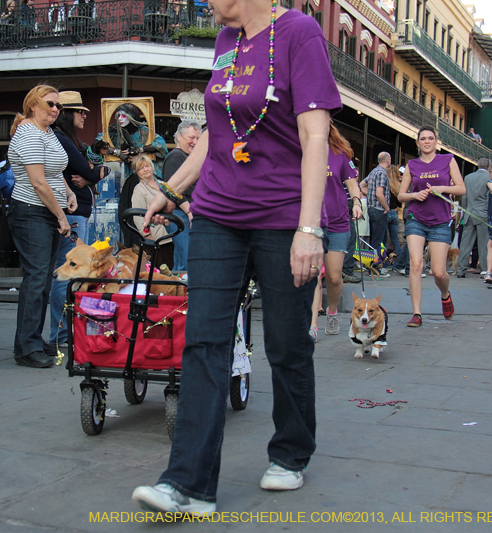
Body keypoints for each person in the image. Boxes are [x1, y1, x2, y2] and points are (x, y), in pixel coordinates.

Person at [132, 0, 341, 514]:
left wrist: (309, 228)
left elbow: (315, 136)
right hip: (218, 215)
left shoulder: (300, 33)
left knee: (287, 342)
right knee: (204, 340)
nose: (204, 2)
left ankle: (291, 452)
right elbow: (214, 135)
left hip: (281, 216)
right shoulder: (225, 42)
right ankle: (188, 484)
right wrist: (173, 191)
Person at [8, 85, 76, 368]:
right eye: (50, 104)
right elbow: (37, 182)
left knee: (43, 279)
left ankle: (33, 339)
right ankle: (26, 347)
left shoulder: (47, 133)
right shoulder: (28, 133)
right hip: (31, 212)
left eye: (58, 106)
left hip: (47, 211)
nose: (55, 109)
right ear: (32, 105)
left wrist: (69, 192)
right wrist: (61, 216)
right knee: (36, 278)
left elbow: (54, 171)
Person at [48, 91, 108, 347]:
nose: (84, 115)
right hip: (72, 213)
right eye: (79, 111)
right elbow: (88, 170)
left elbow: (100, 166)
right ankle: (61, 335)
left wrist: (93, 173)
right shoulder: (62, 139)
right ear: (66, 114)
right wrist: (92, 174)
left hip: (78, 212)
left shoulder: (77, 142)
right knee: (67, 274)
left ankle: (62, 334)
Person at [397, 126, 465, 328]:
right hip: (416, 218)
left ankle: (445, 294)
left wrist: (443, 188)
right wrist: (414, 195)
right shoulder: (412, 165)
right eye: (423, 139)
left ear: (437, 141)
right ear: (418, 143)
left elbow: (462, 188)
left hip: (440, 221)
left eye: (430, 138)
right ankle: (417, 313)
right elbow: (401, 195)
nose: (427, 141)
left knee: (438, 272)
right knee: (416, 264)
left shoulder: (448, 160)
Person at [309, 125, 362, 341]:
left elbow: (352, 184)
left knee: (334, 276)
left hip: (337, 221)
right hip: (311, 222)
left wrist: (357, 202)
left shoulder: (340, 155)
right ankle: (312, 325)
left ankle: (332, 311)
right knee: (313, 275)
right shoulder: (301, 150)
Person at [161, 120, 201, 271]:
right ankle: (182, 293)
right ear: (179, 136)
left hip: (184, 214)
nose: (195, 142)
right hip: (180, 214)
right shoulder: (176, 157)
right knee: (185, 260)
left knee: (183, 259)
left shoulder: (186, 157)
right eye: (191, 138)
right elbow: (172, 189)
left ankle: (179, 292)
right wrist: (189, 212)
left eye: (198, 139)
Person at [132, 155, 174, 268]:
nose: (145, 169)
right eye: (141, 168)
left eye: (147, 166)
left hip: (171, 234)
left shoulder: (162, 184)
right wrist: (147, 235)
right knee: (159, 271)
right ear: (137, 172)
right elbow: (137, 216)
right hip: (156, 237)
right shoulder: (139, 190)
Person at [457, 158, 491, 278]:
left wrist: (465, 211)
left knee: (465, 243)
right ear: (489, 166)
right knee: (484, 244)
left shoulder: (468, 177)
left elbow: (464, 197)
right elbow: (489, 198)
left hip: (469, 212)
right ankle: (485, 269)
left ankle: (461, 269)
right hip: (483, 214)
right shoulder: (489, 178)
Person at [360, 152, 392, 271]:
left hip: (371, 209)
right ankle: (375, 268)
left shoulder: (374, 171)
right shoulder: (382, 173)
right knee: (378, 242)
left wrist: (369, 195)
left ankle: (371, 266)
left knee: (373, 240)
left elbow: (362, 185)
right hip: (379, 210)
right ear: (388, 160)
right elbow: (379, 193)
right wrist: (387, 207)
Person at [386, 164, 403, 260]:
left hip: (386, 211)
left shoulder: (386, 184)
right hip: (395, 213)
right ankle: (399, 262)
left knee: (385, 240)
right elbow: (400, 204)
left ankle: (384, 262)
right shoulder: (399, 186)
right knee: (395, 240)